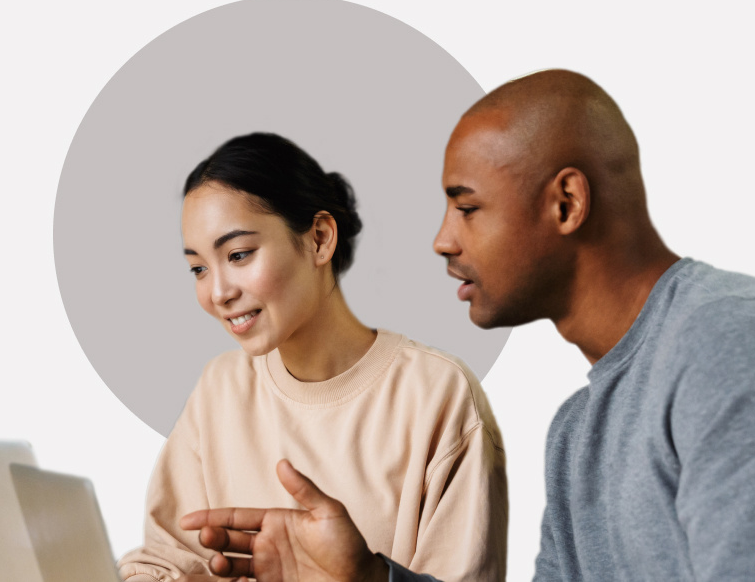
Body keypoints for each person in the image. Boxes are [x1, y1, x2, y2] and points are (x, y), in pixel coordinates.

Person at [177, 72, 755, 581]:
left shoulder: (729, 341)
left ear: (566, 204)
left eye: (467, 205)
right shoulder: (578, 433)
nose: (443, 239)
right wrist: (368, 575)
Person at [117, 132, 507, 582]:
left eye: (239, 254)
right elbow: (166, 561)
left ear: (320, 239)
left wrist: (366, 576)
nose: (218, 292)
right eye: (199, 268)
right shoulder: (219, 387)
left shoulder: (437, 396)